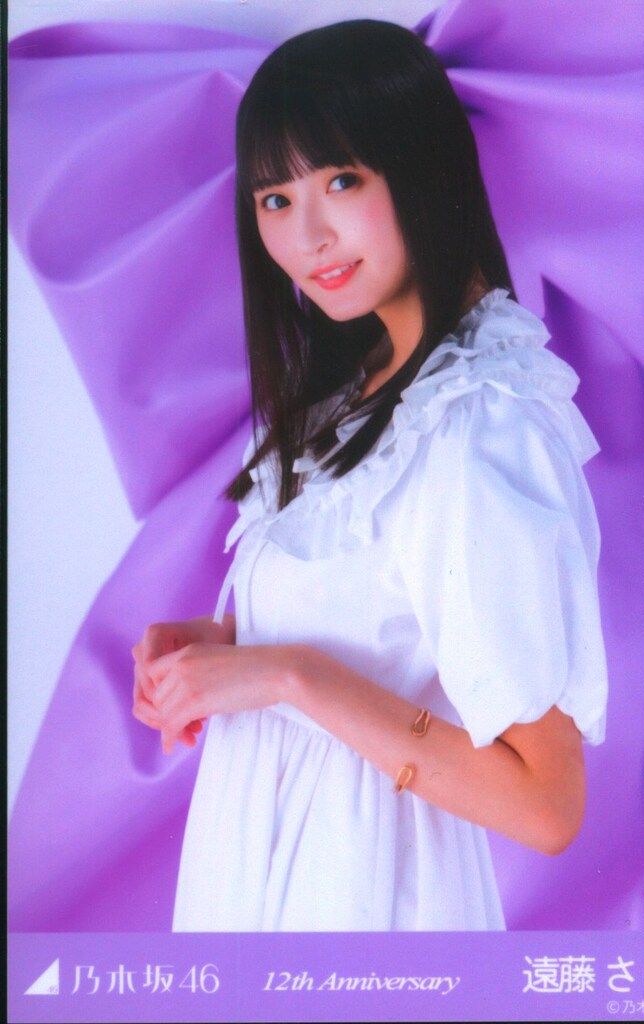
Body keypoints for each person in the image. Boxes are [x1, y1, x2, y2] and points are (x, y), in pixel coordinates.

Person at [131, 19, 608, 932]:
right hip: (261, 875)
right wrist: (228, 649)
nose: (308, 236)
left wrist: (286, 674)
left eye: (341, 181)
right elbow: (391, 620)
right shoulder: (353, 394)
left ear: (421, 168)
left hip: (368, 903)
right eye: (275, 198)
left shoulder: (480, 418)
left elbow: (545, 805)